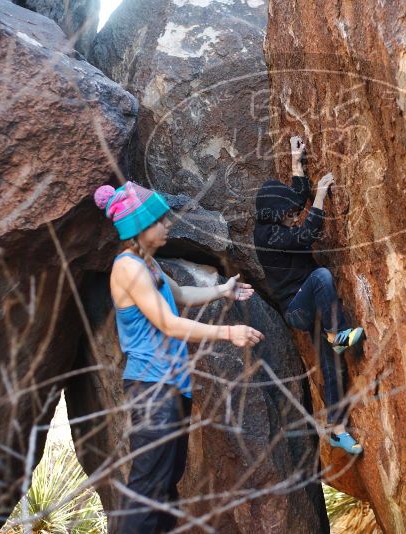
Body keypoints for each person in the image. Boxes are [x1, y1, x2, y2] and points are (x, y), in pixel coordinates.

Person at [94, 180, 264, 533]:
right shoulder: (128, 267)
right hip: (151, 387)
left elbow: (181, 295)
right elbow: (169, 324)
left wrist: (222, 290)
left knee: (165, 487)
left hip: (170, 387)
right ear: (139, 228)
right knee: (147, 488)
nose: (168, 225)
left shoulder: (149, 266)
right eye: (160, 220)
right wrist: (227, 333)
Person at [253, 136, 365, 455]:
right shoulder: (269, 235)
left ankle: (338, 430)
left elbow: (296, 198)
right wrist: (320, 198)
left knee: (332, 367)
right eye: (287, 213)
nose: (292, 214)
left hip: (311, 304)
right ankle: (338, 334)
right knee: (321, 275)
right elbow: (306, 236)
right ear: (275, 216)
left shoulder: (273, 219)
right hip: (298, 308)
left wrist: (295, 161)